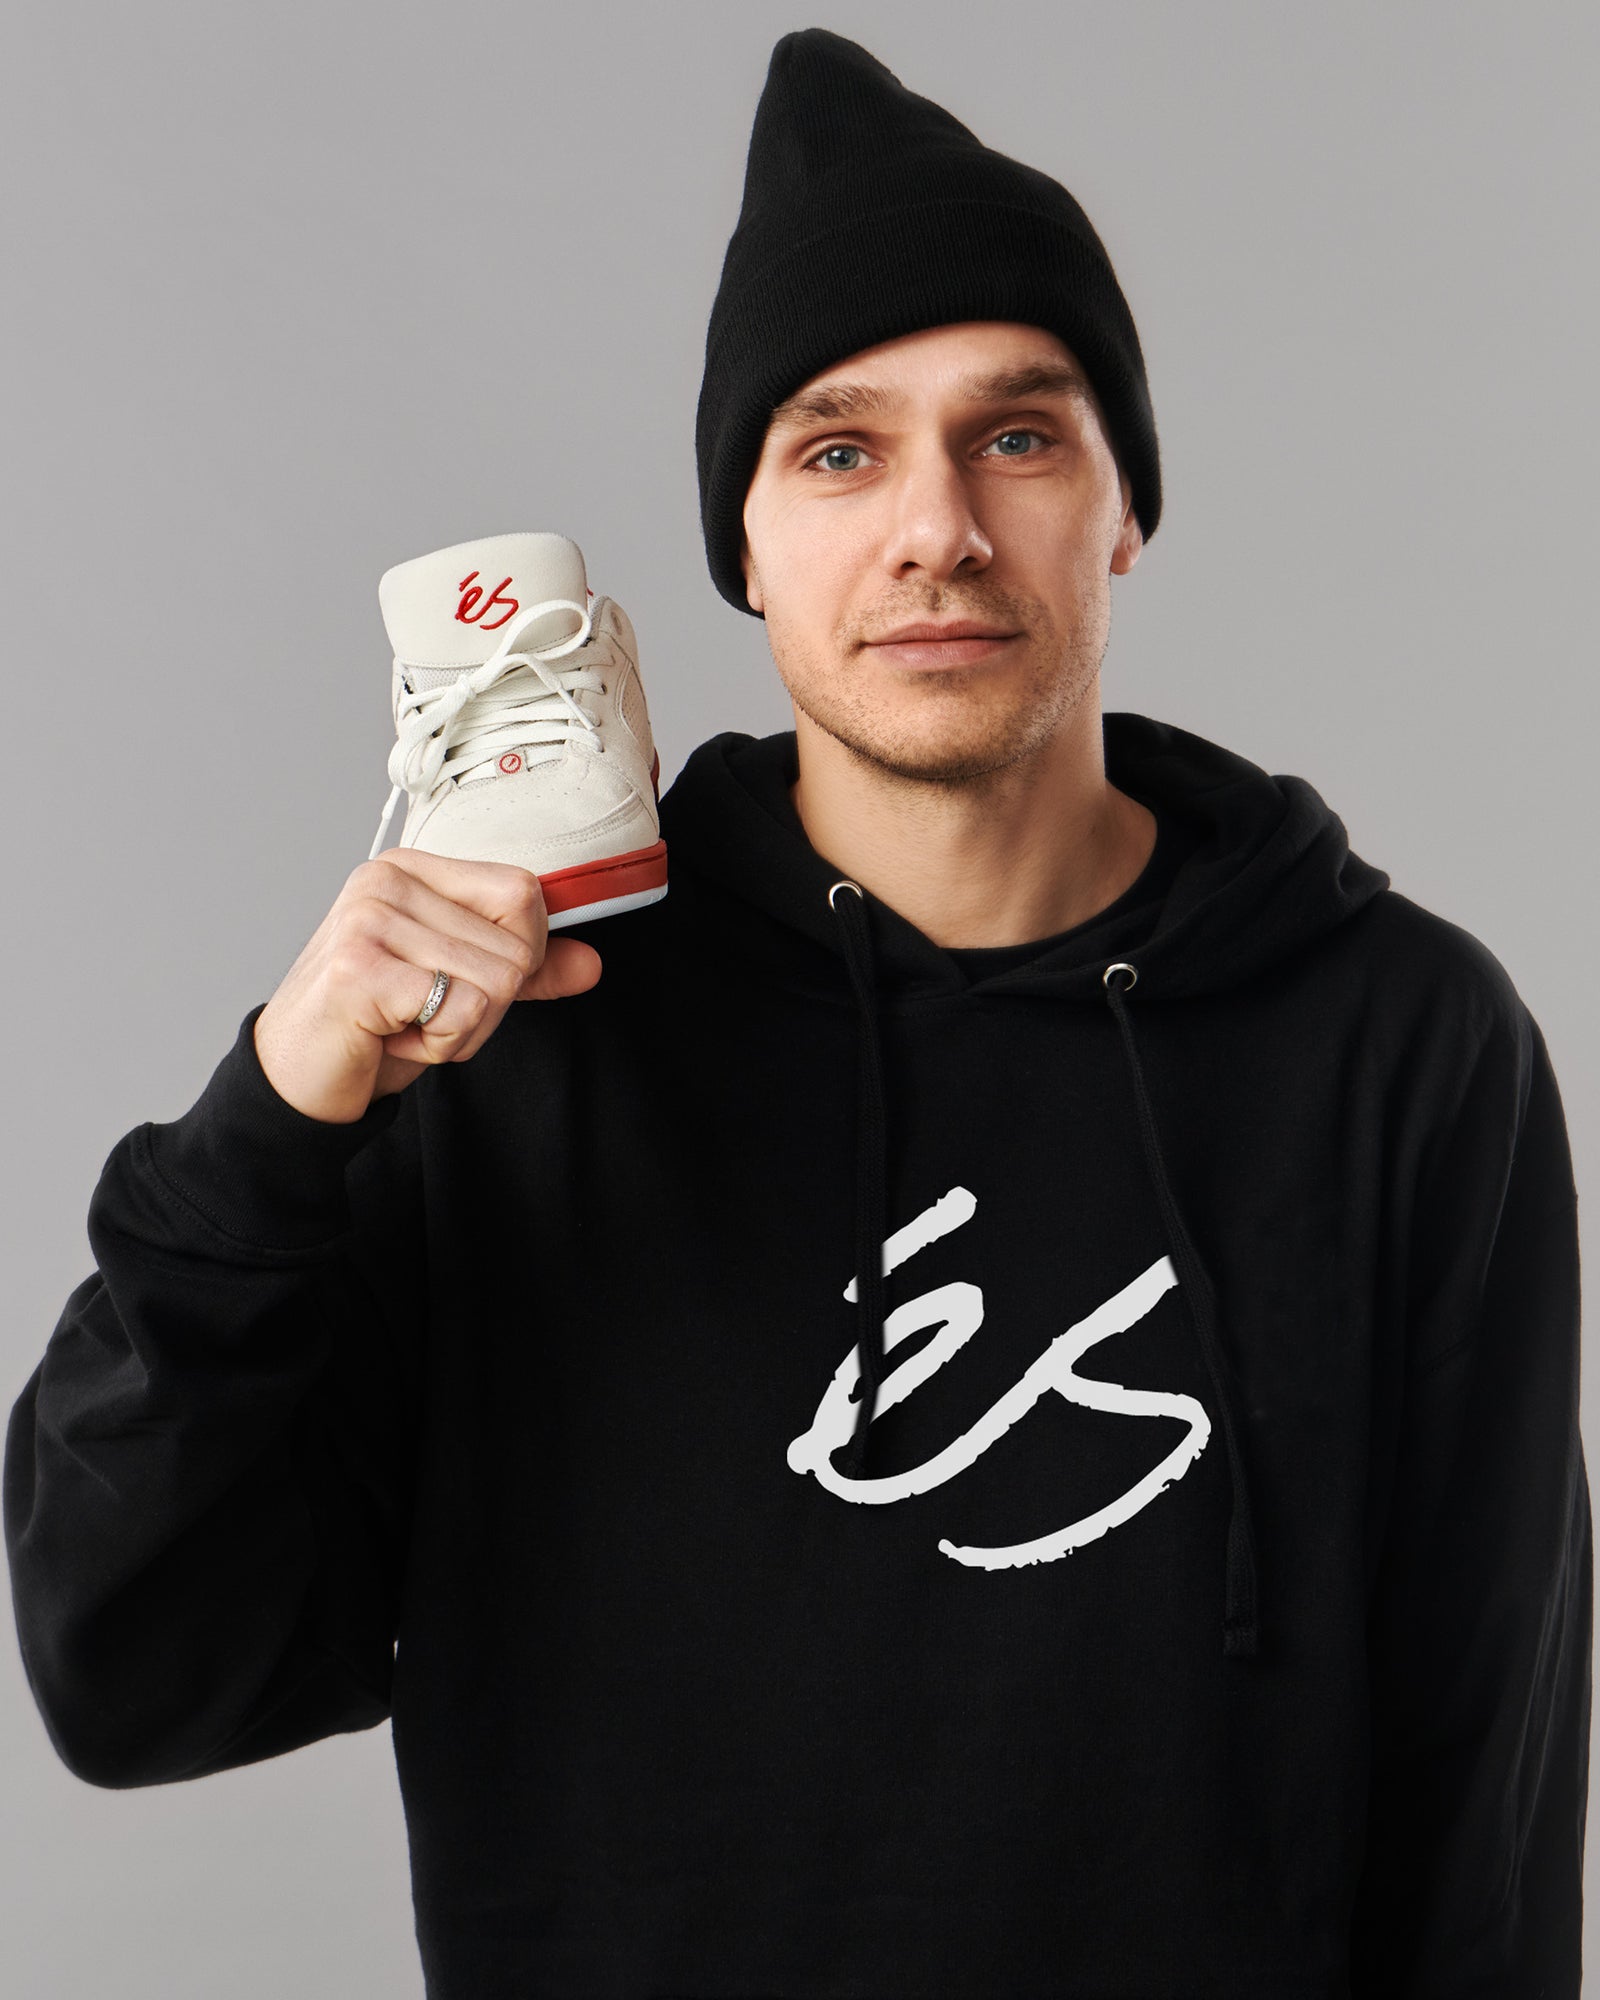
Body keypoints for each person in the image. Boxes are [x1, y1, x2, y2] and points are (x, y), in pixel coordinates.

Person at [5, 26, 1590, 1998]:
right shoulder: (524, 1034)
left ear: (1124, 508)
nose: (936, 528)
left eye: (1019, 436)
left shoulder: (1402, 1043)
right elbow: (135, 1672)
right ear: (742, 549)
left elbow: (1481, 1809)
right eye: (838, 451)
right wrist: (269, 1126)